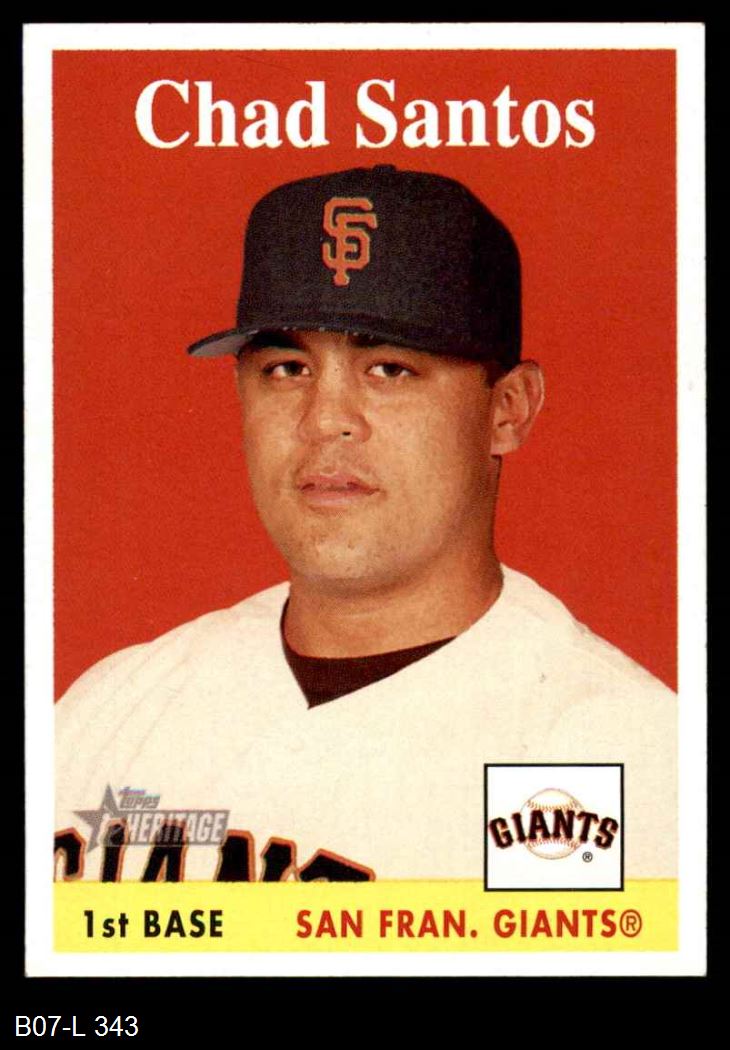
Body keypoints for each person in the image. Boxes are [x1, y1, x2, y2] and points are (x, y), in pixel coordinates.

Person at [55, 165, 676, 884]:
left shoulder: (613, 751)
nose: (325, 421)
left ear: (508, 409)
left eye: (389, 369)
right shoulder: (113, 707)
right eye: (287, 368)